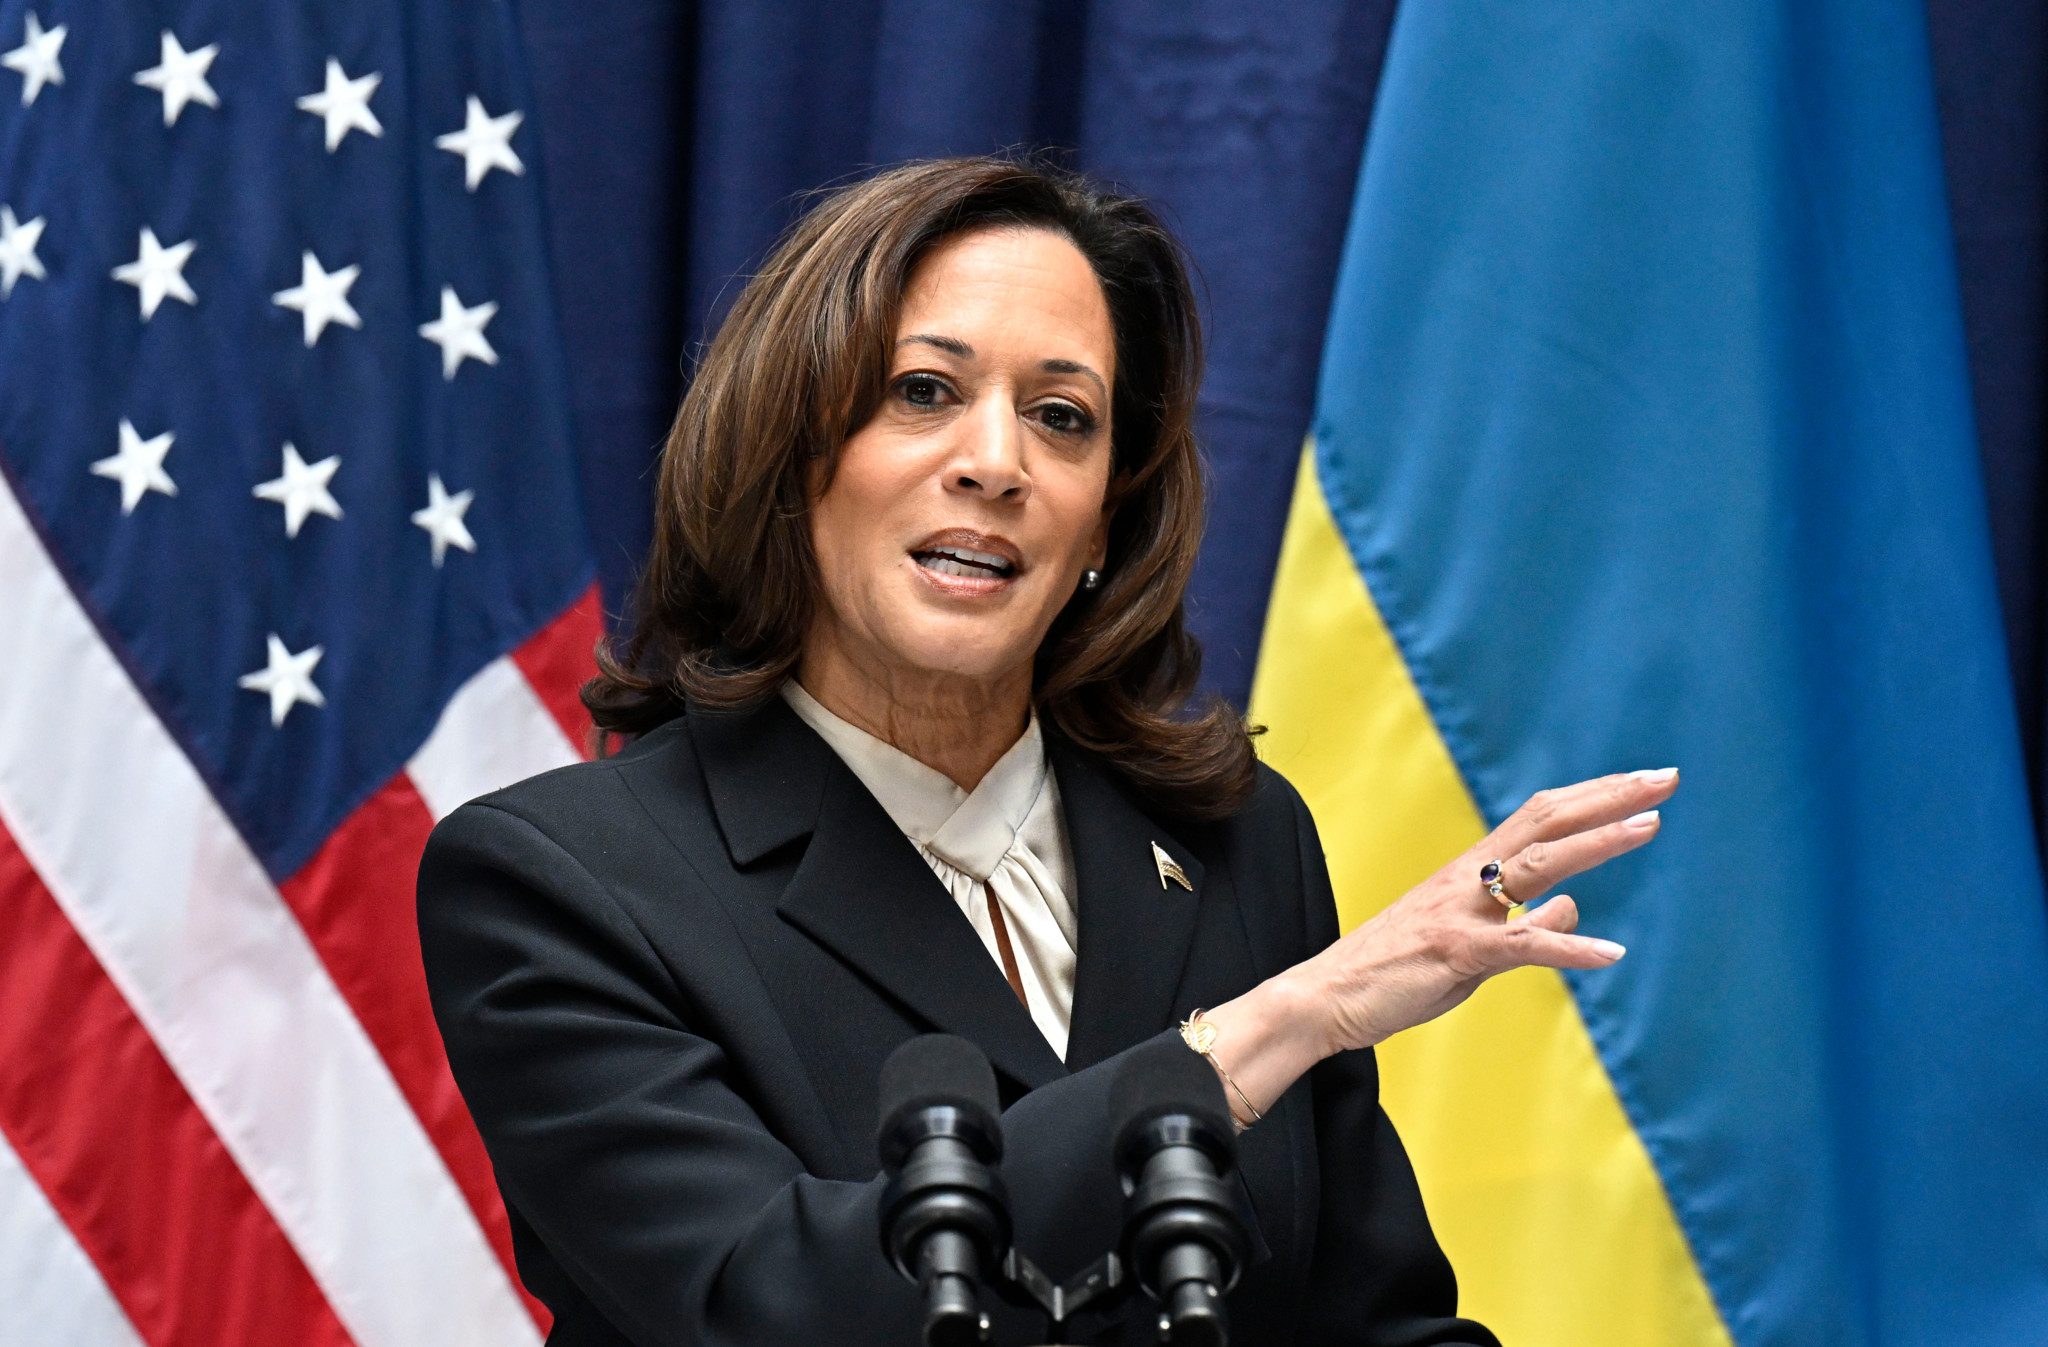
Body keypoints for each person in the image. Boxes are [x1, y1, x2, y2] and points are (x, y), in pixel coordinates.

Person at [417, 157, 1677, 1347]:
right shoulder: (560, 880)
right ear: (793, 458)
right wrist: (1260, 1036)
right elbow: (768, 1303)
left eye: (1062, 418)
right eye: (923, 392)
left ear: (1101, 527)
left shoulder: (1236, 841)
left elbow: (1372, 1322)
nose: (995, 463)